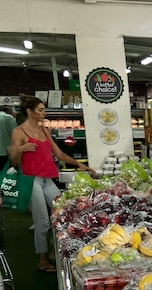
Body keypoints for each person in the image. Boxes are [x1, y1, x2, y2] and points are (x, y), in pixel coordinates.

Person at [9, 94, 97, 273]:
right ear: (29, 111)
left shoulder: (44, 130)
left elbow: (59, 154)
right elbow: (13, 161)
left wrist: (79, 164)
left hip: (47, 179)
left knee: (64, 211)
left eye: (43, 109)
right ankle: (42, 260)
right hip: (31, 181)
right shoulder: (19, 132)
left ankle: (51, 251)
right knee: (42, 222)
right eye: (40, 110)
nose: (44, 113)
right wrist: (20, 149)